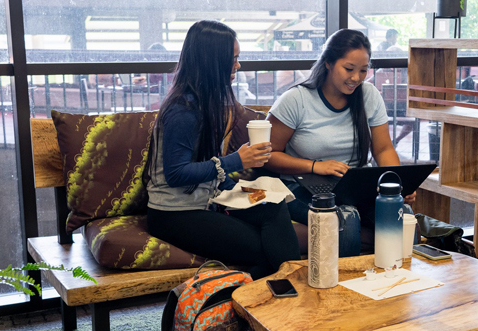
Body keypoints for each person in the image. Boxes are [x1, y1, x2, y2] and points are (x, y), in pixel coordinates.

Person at [143, 20, 300, 279]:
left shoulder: (205, 101)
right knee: (266, 250)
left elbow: (208, 163)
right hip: (174, 214)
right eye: (233, 59)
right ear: (212, 61)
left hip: (209, 199)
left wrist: (237, 188)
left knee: (273, 204)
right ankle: (283, 295)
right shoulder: (184, 110)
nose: (238, 65)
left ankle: (270, 292)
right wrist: (235, 161)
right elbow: (176, 174)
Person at [265, 29, 415, 251]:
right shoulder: (296, 100)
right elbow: (268, 155)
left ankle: (398, 280)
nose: (356, 78)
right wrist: (316, 166)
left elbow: (383, 149)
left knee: (402, 214)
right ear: (328, 63)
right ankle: (346, 283)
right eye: (349, 69)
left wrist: (397, 183)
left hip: (354, 185)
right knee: (346, 217)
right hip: (301, 185)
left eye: (363, 70)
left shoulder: (369, 95)